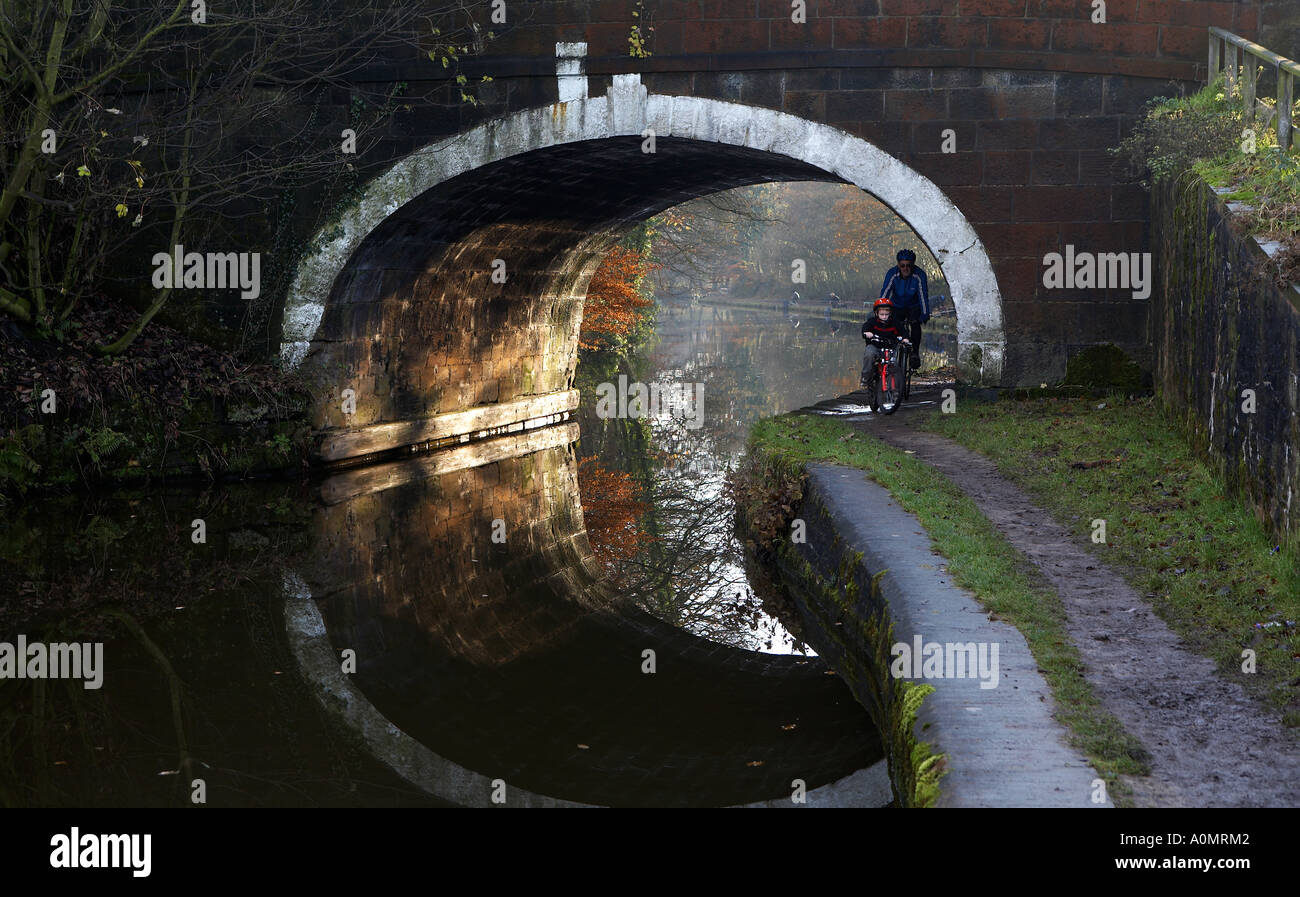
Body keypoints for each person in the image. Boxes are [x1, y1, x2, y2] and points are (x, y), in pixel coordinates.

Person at [878, 249, 930, 370]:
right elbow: (885, 292)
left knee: (915, 325)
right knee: (893, 325)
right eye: (902, 266)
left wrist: (925, 313)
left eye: (909, 265)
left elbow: (923, 295)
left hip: (913, 305)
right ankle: (891, 352)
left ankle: (914, 353)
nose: (905, 269)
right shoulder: (892, 273)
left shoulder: (919, 275)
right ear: (898, 265)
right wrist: (881, 310)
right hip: (897, 305)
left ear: (913, 265)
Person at [861, 298, 911, 388]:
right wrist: (866, 333)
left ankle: (895, 388)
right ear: (876, 313)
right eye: (882, 314)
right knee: (869, 355)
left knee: (894, 364)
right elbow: (865, 327)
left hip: (890, 348)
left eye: (886, 314)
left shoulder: (895, 323)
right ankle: (865, 377)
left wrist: (905, 338)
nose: (884, 316)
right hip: (875, 346)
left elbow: (903, 332)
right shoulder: (872, 322)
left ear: (890, 313)